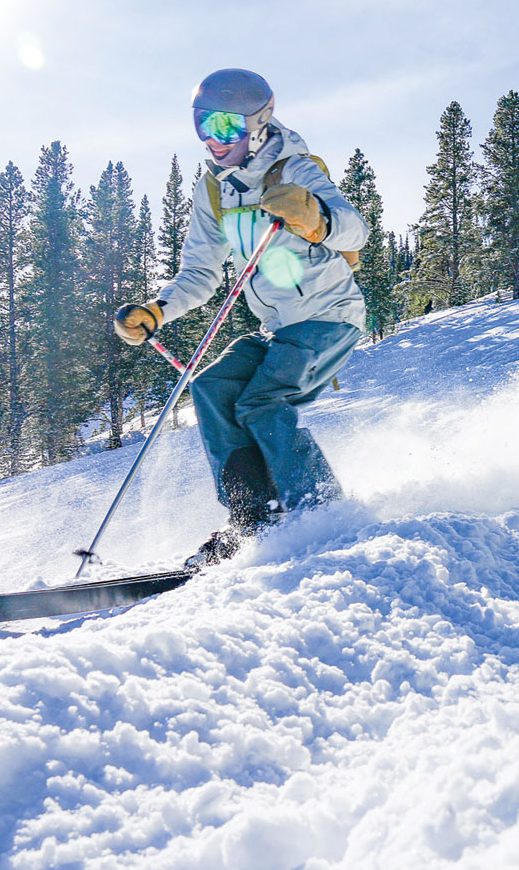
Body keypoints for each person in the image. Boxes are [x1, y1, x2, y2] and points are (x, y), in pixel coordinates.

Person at [113, 68, 367, 569]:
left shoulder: (296, 168)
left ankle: (320, 512)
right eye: (202, 124)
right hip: (278, 328)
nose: (213, 138)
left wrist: (314, 216)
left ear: (259, 121)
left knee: (262, 400)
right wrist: (156, 312)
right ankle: (251, 519)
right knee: (212, 387)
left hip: (329, 316)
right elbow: (199, 274)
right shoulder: (215, 191)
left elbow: (355, 232)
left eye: (226, 126)